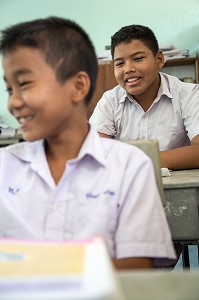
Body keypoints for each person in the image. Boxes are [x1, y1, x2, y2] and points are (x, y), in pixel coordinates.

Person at [0, 17, 176, 269]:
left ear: (78, 85)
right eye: (9, 89)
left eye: (25, 84)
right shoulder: (5, 165)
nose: (13, 103)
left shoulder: (129, 166)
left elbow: (135, 268)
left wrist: (32, 269)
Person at [89, 25, 199, 170]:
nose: (128, 69)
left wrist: (134, 160)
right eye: (120, 63)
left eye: (138, 58)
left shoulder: (189, 95)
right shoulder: (110, 101)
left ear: (159, 59)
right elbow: (96, 153)